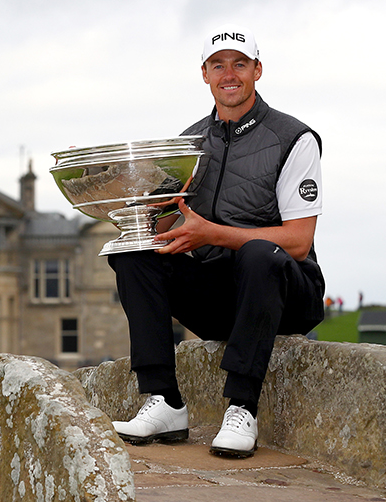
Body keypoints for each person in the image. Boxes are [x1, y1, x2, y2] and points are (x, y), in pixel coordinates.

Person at [109, 24, 325, 458]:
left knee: (260, 254)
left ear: (257, 70)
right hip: (218, 301)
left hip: (284, 295)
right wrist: (105, 181)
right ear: (204, 74)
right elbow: (167, 223)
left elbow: (298, 243)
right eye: (218, 65)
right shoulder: (187, 143)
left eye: (240, 64)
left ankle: (242, 406)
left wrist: (212, 233)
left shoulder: (294, 138)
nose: (230, 73)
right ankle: (164, 400)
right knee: (133, 255)